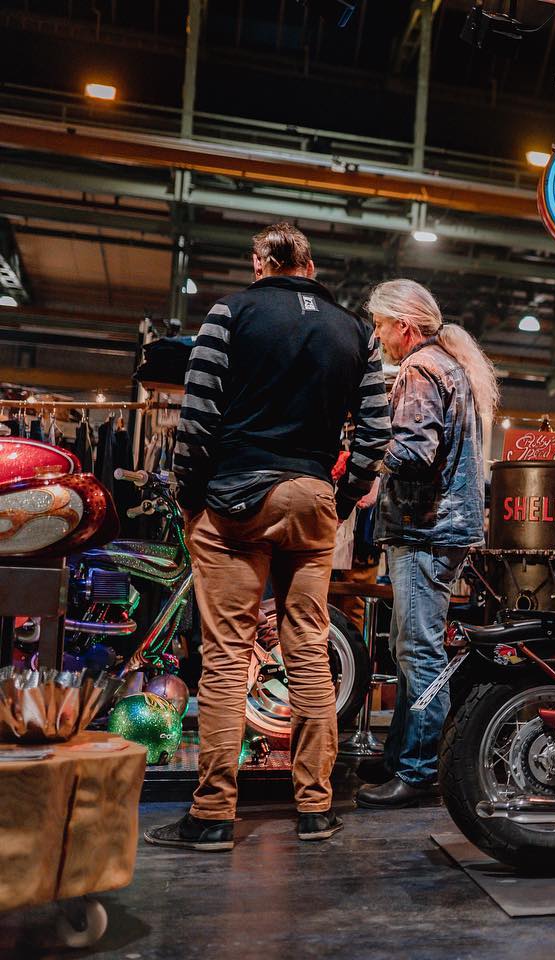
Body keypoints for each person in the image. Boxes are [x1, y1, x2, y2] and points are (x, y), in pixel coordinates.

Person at [146, 222, 390, 850]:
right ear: (308, 264)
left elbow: (196, 420)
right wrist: (338, 493)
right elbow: (376, 431)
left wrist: (190, 494)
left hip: (234, 500)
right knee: (308, 650)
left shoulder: (230, 314)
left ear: (261, 262)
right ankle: (316, 807)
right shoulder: (354, 330)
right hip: (311, 500)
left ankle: (212, 816)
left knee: (226, 659)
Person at [356, 280, 498, 808]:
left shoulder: (420, 369)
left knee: (419, 653)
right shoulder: (449, 365)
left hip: (425, 530)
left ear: (404, 326)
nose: (378, 336)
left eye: (380, 325)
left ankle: (418, 770)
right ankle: (404, 757)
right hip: (440, 529)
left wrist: (368, 461)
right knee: (415, 648)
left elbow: (415, 451)